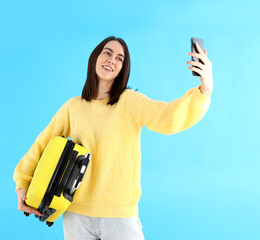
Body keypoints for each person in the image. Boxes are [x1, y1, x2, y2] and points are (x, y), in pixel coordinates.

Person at [13, 36, 213, 240]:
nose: (111, 60)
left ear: (122, 69)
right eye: (107, 53)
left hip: (120, 218)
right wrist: (22, 185)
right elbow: (41, 146)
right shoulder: (73, 107)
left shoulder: (129, 102)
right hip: (76, 216)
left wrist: (204, 90)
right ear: (95, 58)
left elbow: (168, 117)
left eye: (119, 58)